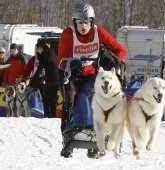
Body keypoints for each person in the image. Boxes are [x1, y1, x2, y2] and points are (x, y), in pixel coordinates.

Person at [58, 2, 126, 158]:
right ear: (74, 22)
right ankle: (67, 140)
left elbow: (121, 51)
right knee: (70, 102)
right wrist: (71, 63)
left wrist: (113, 59)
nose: (83, 26)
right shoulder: (68, 34)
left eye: (87, 21)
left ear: (92, 21)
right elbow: (60, 60)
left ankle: (92, 138)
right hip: (71, 75)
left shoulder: (98, 32)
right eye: (80, 22)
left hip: (91, 76)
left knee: (86, 98)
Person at [26, 39, 59, 118]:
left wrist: (31, 84)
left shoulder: (45, 55)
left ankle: (47, 116)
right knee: (52, 100)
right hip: (57, 79)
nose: (38, 50)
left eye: (38, 48)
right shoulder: (52, 52)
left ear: (42, 48)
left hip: (51, 79)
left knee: (46, 99)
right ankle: (53, 116)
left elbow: (38, 71)